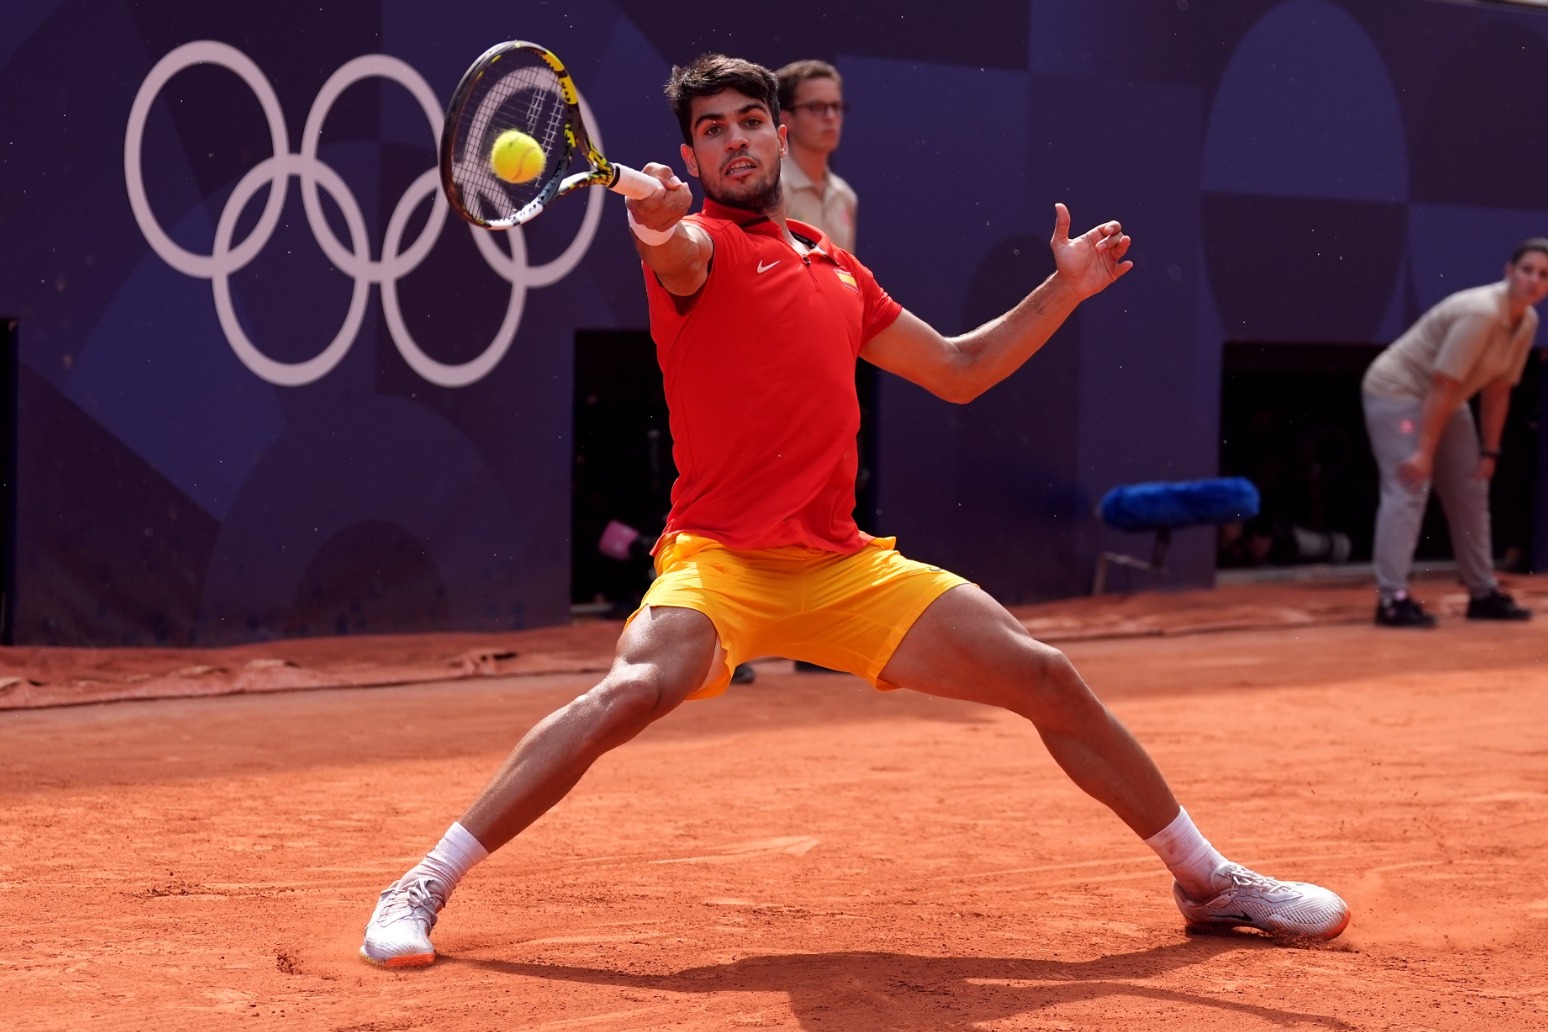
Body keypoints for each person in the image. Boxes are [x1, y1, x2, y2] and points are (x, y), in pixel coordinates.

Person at [360, 53, 1350, 968]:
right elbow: (673, 245)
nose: (735, 139)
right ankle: (424, 883)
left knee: (1045, 675)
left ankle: (1208, 882)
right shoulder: (699, 250)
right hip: (720, 563)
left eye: (750, 121)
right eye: (712, 129)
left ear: (781, 135)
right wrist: (655, 219)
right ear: (691, 155)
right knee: (633, 690)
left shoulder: (833, 263)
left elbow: (958, 368)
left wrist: (1063, 291)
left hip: (842, 565)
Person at [1362, 238, 1548, 628]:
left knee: (1470, 488)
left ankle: (1483, 593)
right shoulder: (1481, 312)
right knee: (1410, 486)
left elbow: (1498, 389)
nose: (1534, 280)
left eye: (1543, 275)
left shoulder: (1527, 321)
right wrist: (1424, 451)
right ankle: (1392, 599)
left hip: (1446, 400)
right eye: (1527, 270)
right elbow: (1442, 383)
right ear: (1509, 272)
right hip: (1399, 391)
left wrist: (1490, 451)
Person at [774, 58, 856, 252]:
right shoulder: (772, 187)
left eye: (836, 107)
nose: (830, 117)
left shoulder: (845, 196)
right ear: (786, 118)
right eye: (816, 107)